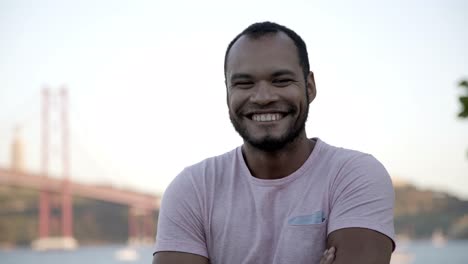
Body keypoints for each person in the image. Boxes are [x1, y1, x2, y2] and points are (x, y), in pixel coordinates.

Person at [153, 21, 395, 264]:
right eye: (244, 83)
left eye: (281, 80)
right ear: (227, 92)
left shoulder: (354, 175)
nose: (263, 97)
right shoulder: (194, 189)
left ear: (309, 87)